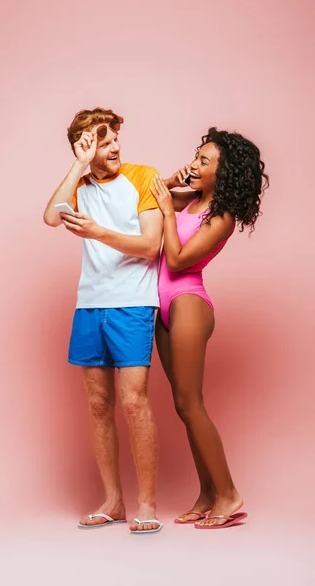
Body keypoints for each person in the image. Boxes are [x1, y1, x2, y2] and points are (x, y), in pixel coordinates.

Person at [43, 108, 164, 533]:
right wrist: (78, 166)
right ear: (84, 147)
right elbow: (51, 217)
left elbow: (151, 245)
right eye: (102, 141)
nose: (114, 147)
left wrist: (97, 233)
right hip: (89, 304)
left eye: (114, 139)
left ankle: (146, 504)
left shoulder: (144, 177)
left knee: (134, 403)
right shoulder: (81, 184)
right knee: (98, 406)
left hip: (132, 302)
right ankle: (113, 502)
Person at [151, 127, 269, 529]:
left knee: (191, 403)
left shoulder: (222, 216)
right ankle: (207, 493)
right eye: (197, 157)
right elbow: (147, 196)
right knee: (182, 407)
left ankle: (229, 494)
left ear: (225, 172)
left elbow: (180, 260)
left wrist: (168, 211)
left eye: (205, 160)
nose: (196, 163)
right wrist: (171, 188)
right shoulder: (190, 200)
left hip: (188, 303)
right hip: (162, 306)